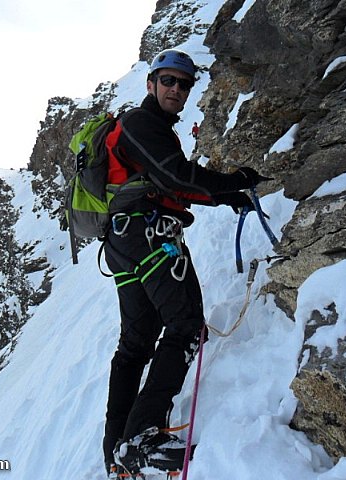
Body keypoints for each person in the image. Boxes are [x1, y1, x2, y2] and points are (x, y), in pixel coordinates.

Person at [101, 48, 266, 477]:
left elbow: (168, 184)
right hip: (149, 236)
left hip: (125, 240)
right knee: (186, 325)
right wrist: (234, 183)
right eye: (168, 80)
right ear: (151, 84)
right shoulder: (140, 124)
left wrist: (223, 195)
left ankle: (117, 451)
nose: (176, 89)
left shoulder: (146, 130)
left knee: (136, 342)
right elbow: (175, 176)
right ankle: (141, 436)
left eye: (184, 83)